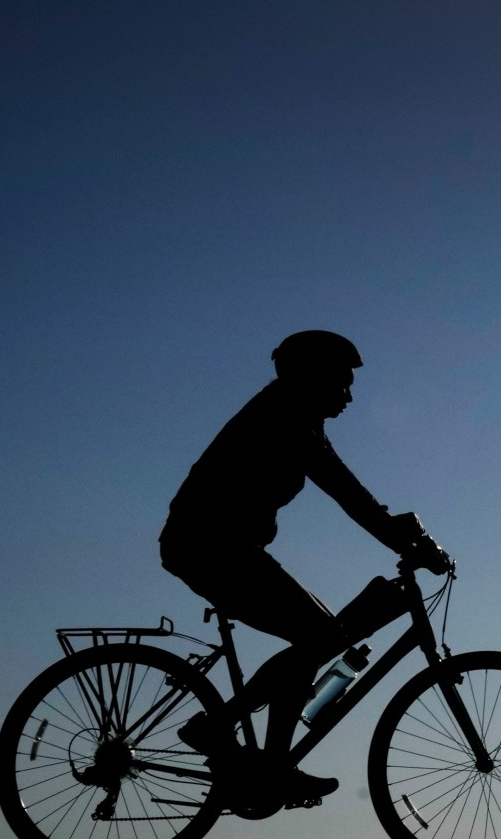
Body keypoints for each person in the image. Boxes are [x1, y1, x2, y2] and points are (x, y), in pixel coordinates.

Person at [160, 330, 450, 807]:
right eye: (342, 381)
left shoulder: (297, 418)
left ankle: (242, 744)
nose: (349, 395)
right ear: (313, 377)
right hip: (209, 546)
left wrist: (404, 533)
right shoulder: (287, 417)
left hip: (224, 546)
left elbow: (355, 495)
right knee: (319, 635)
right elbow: (349, 495)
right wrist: (403, 540)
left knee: (325, 634)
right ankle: (258, 757)